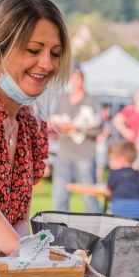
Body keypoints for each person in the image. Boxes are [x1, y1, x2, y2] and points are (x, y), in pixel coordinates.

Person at [0, 0, 71, 251]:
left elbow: (18, 219)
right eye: (33, 50)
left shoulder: (30, 127)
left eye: (56, 53)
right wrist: (26, 258)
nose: (47, 64)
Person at [50, 65, 102, 213]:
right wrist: (59, 126)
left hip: (84, 155)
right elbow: (53, 121)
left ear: (82, 80)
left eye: (76, 77)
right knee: (59, 196)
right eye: (71, 78)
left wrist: (76, 128)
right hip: (64, 154)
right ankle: (59, 229)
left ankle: (97, 229)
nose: (73, 81)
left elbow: (99, 127)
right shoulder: (62, 99)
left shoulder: (91, 101)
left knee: (89, 197)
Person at [107, 140, 139, 223]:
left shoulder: (115, 174)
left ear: (122, 159)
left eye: (112, 159)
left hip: (119, 217)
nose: (110, 163)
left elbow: (109, 188)